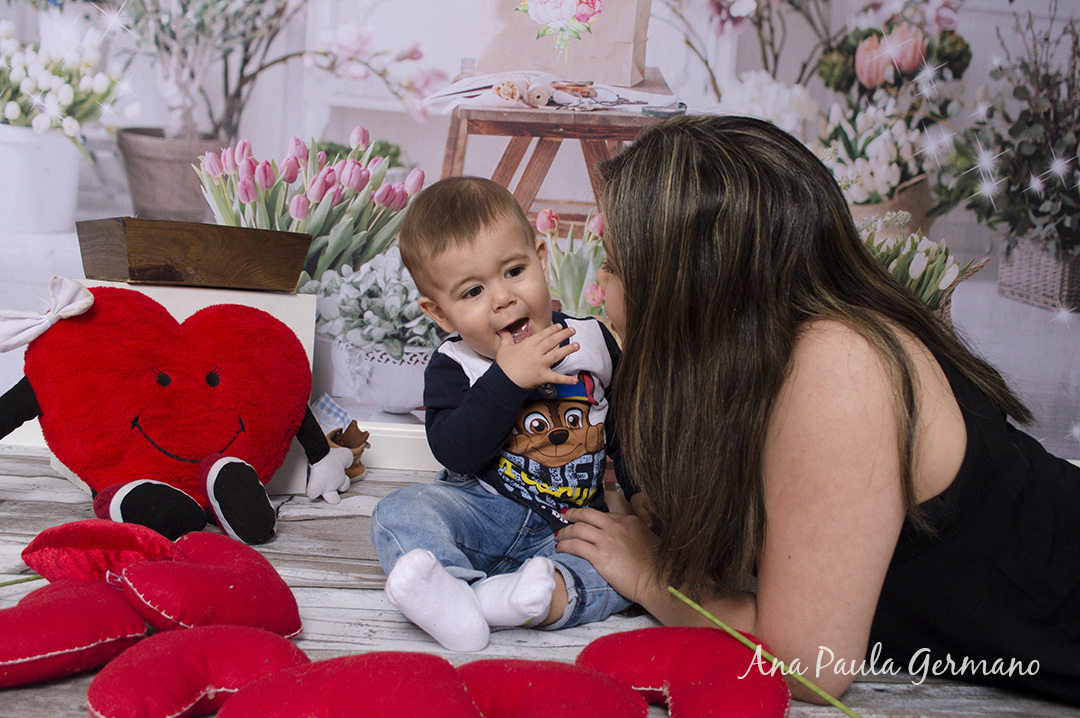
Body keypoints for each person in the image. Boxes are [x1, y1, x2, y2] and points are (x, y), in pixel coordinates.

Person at [554, 114, 1080, 706]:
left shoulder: (840, 368)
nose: (598, 288)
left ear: (695, 291)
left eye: (616, 266)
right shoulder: (786, 352)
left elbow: (806, 665)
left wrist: (653, 575)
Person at [371, 176, 633, 652]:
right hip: (482, 512)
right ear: (441, 313)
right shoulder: (455, 365)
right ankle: (447, 588)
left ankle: (518, 600)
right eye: (472, 292)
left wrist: (638, 497)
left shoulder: (594, 342)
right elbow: (457, 452)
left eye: (514, 271)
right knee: (398, 511)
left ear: (541, 257)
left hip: (571, 523)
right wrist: (508, 380)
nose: (502, 298)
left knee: (627, 568)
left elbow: (625, 432)